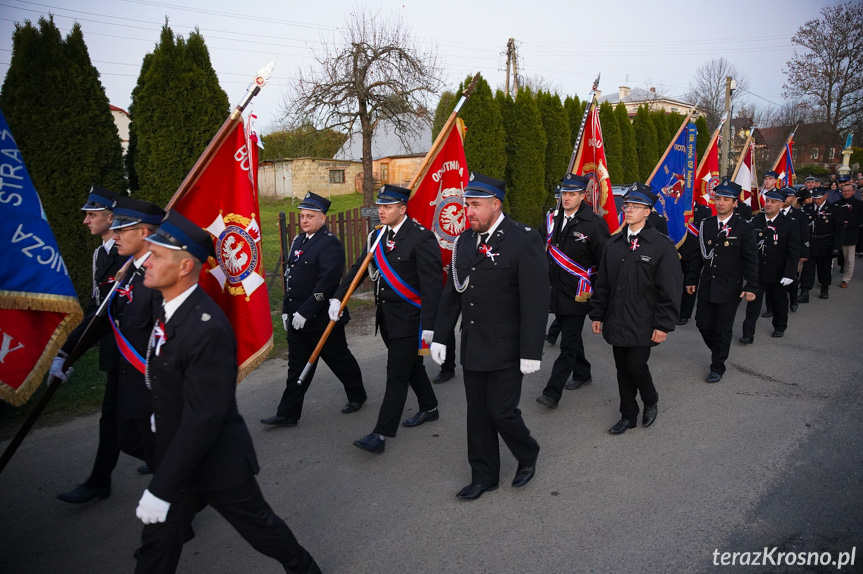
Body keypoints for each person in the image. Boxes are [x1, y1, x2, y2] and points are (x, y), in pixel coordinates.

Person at [134, 210, 320, 574]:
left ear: (185, 266)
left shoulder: (207, 327)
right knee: (156, 546)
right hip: (178, 456)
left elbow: (204, 417)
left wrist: (162, 486)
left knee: (263, 531)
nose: (147, 262)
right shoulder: (169, 309)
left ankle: (305, 569)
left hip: (217, 463)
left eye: (156, 256)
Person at [431, 173, 546, 500]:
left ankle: (527, 453)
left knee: (501, 411)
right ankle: (484, 476)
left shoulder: (523, 240)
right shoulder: (464, 241)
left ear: (496, 205)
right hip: (474, 345)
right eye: (467, 204)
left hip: (509, 347)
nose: (468, 211)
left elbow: (536, 300)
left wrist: (531, 351)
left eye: (475, 205)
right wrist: (439, 338)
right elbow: (452, 293)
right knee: (477, 414)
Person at [330, 184, 442, 454]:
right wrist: (338, 297)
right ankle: (430, 407)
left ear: (402, 209)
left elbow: (431, 285)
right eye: (380, 206)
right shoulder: (377, 237)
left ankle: (380, 434)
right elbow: (359, 270)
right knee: (411, 367)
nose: (381, 211)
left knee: (396, 375)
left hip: (410, 320)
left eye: (388, 206)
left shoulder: (421, 238)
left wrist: (430, 325)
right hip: (387, 319)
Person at [261, 192, 367, 428]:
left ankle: (357, 395)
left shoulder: (329, 244)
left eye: (310, 216)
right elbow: (292, 280)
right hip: (298, 319)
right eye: (302, 216)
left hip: (322, 319)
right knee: (296, 368)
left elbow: (327, 283)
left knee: (340, 361)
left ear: (323, 218)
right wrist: (288, 310)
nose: (305, 220)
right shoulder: (299, 241)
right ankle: (287, 414)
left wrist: (306, 311)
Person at [54, 186, 127, 504]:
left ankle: (184, 489)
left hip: (140, 352)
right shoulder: (100, 255)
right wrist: (65, 353)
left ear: (111, 217)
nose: (85, 221)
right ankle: (100, 481)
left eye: (92, 215)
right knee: (113, 418)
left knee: (140, 422)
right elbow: (97, 312)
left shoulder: (132, 253)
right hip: (116, 352)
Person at [589, 182, 682, 435]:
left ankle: (650, 399)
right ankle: (628, 415)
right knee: (622, 368)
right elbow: (604, 283)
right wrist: (597, 314)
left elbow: (670, 289)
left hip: (644, 320)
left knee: (636, 366)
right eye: (627, 205)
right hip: (617, 318)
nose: (628, 210)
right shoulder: (614, 244)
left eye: (635, 206)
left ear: (648, 212)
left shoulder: (661, 246)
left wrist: (663, 324)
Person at [536, 173, 609, 408]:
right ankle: (583, 373)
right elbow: (535, 249)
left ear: (582, 196)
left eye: (572, 194)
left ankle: (552, 392)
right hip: (555, 290)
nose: (566, 198)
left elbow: (605, 262)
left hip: (579, 293)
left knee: (567, 344)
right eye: (564, 193)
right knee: (571, 335)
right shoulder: (551, 219)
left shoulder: (594, 224)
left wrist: (601, 298)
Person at [684, 179, 758, 383]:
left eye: (726, 199)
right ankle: (718, 349)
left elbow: (751, 259)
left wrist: (751, 286)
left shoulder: (743, 227)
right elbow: (698, 255)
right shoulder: (706, 224)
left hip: (729, 286)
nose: (721, 203)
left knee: (723, 328)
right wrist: (691, 279)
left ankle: (717, 365)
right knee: (702, 323)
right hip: (707, 284)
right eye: (718, 199)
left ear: (735, 203)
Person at [740, 189, 801, 343]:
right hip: (758, 272)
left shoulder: (789, 224)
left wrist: (789, 273)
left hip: (778, 272)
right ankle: (748, 334)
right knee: (752, 304)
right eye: (767, 201)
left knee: (779, 302)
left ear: (781, 205)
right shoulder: (756, 221)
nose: (768, 204)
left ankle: (780, 326)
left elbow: (793, 252)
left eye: (773, 202)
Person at [800, 185, 843, 301]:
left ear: (825, 196)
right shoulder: (806, 208)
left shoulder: (834, 209)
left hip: (825, 243)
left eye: (819, 198)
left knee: (824, 268)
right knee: (807, 269)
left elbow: (839, 230)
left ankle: (824, 288)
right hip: (810, 243)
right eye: (814, 198)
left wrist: (836, 247)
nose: (817, 200)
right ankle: (805, 291)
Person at [677, 201, 713, 325]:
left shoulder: (703, 210)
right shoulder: (675, 206)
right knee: (672, 284)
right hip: (675, 251)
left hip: (693, 254)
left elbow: (704, 234)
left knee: (690, 284)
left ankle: (684, 314)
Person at [780, 186, 810, 312]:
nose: (785, 199)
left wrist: (804, 253)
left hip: (793, 251)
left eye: (787, 196)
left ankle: (793, 300)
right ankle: (772, 307)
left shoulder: (799, 214)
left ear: (793, 198)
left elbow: (804, 234)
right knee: (774, 281)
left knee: (792, 278)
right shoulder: (772, 213)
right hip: (777, 252)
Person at [835, 182, 863, 287]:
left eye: (848, 191)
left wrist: (849, 223)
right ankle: (824, 278)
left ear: (853, 192)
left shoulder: (859, 205)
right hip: (837, 234)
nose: (846, 193)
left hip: (850, 234)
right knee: (830, 258)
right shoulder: (836, 204)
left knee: (849, 259)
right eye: (844, 191)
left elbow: (860, 219)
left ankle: (845, 279)